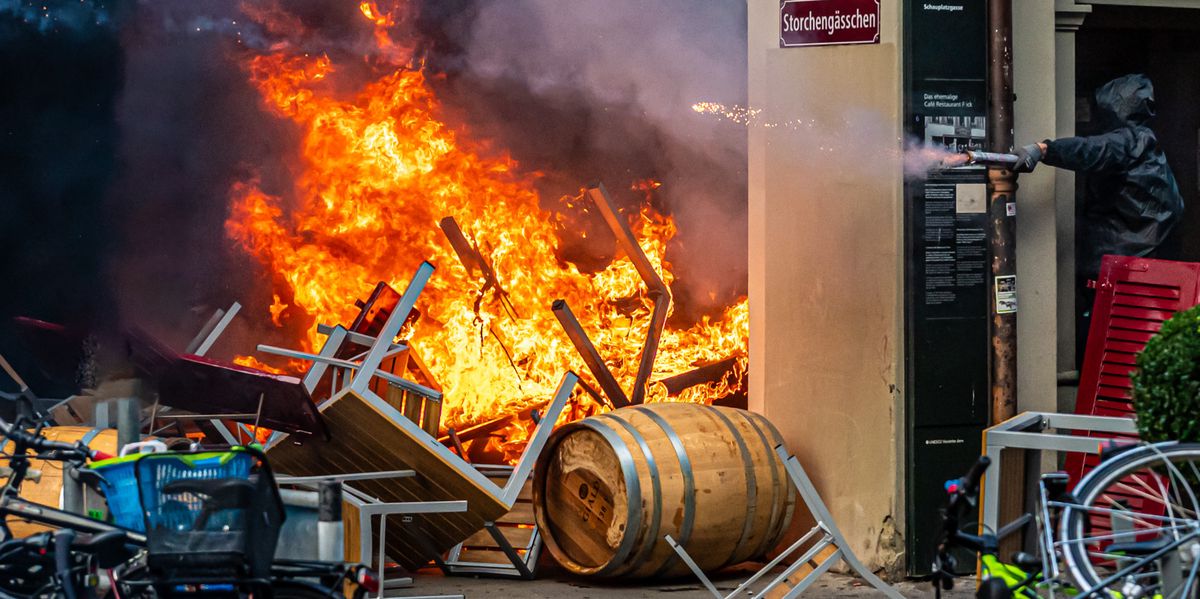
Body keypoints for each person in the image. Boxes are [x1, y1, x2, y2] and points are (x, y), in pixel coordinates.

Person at [1011, 73, 1184, 366]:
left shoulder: (1130, 141)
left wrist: (1043, 150)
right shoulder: (1146, 142)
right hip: (1145, 259)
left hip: (1122, 263)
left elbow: (1092, 149)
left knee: (1111, 348)